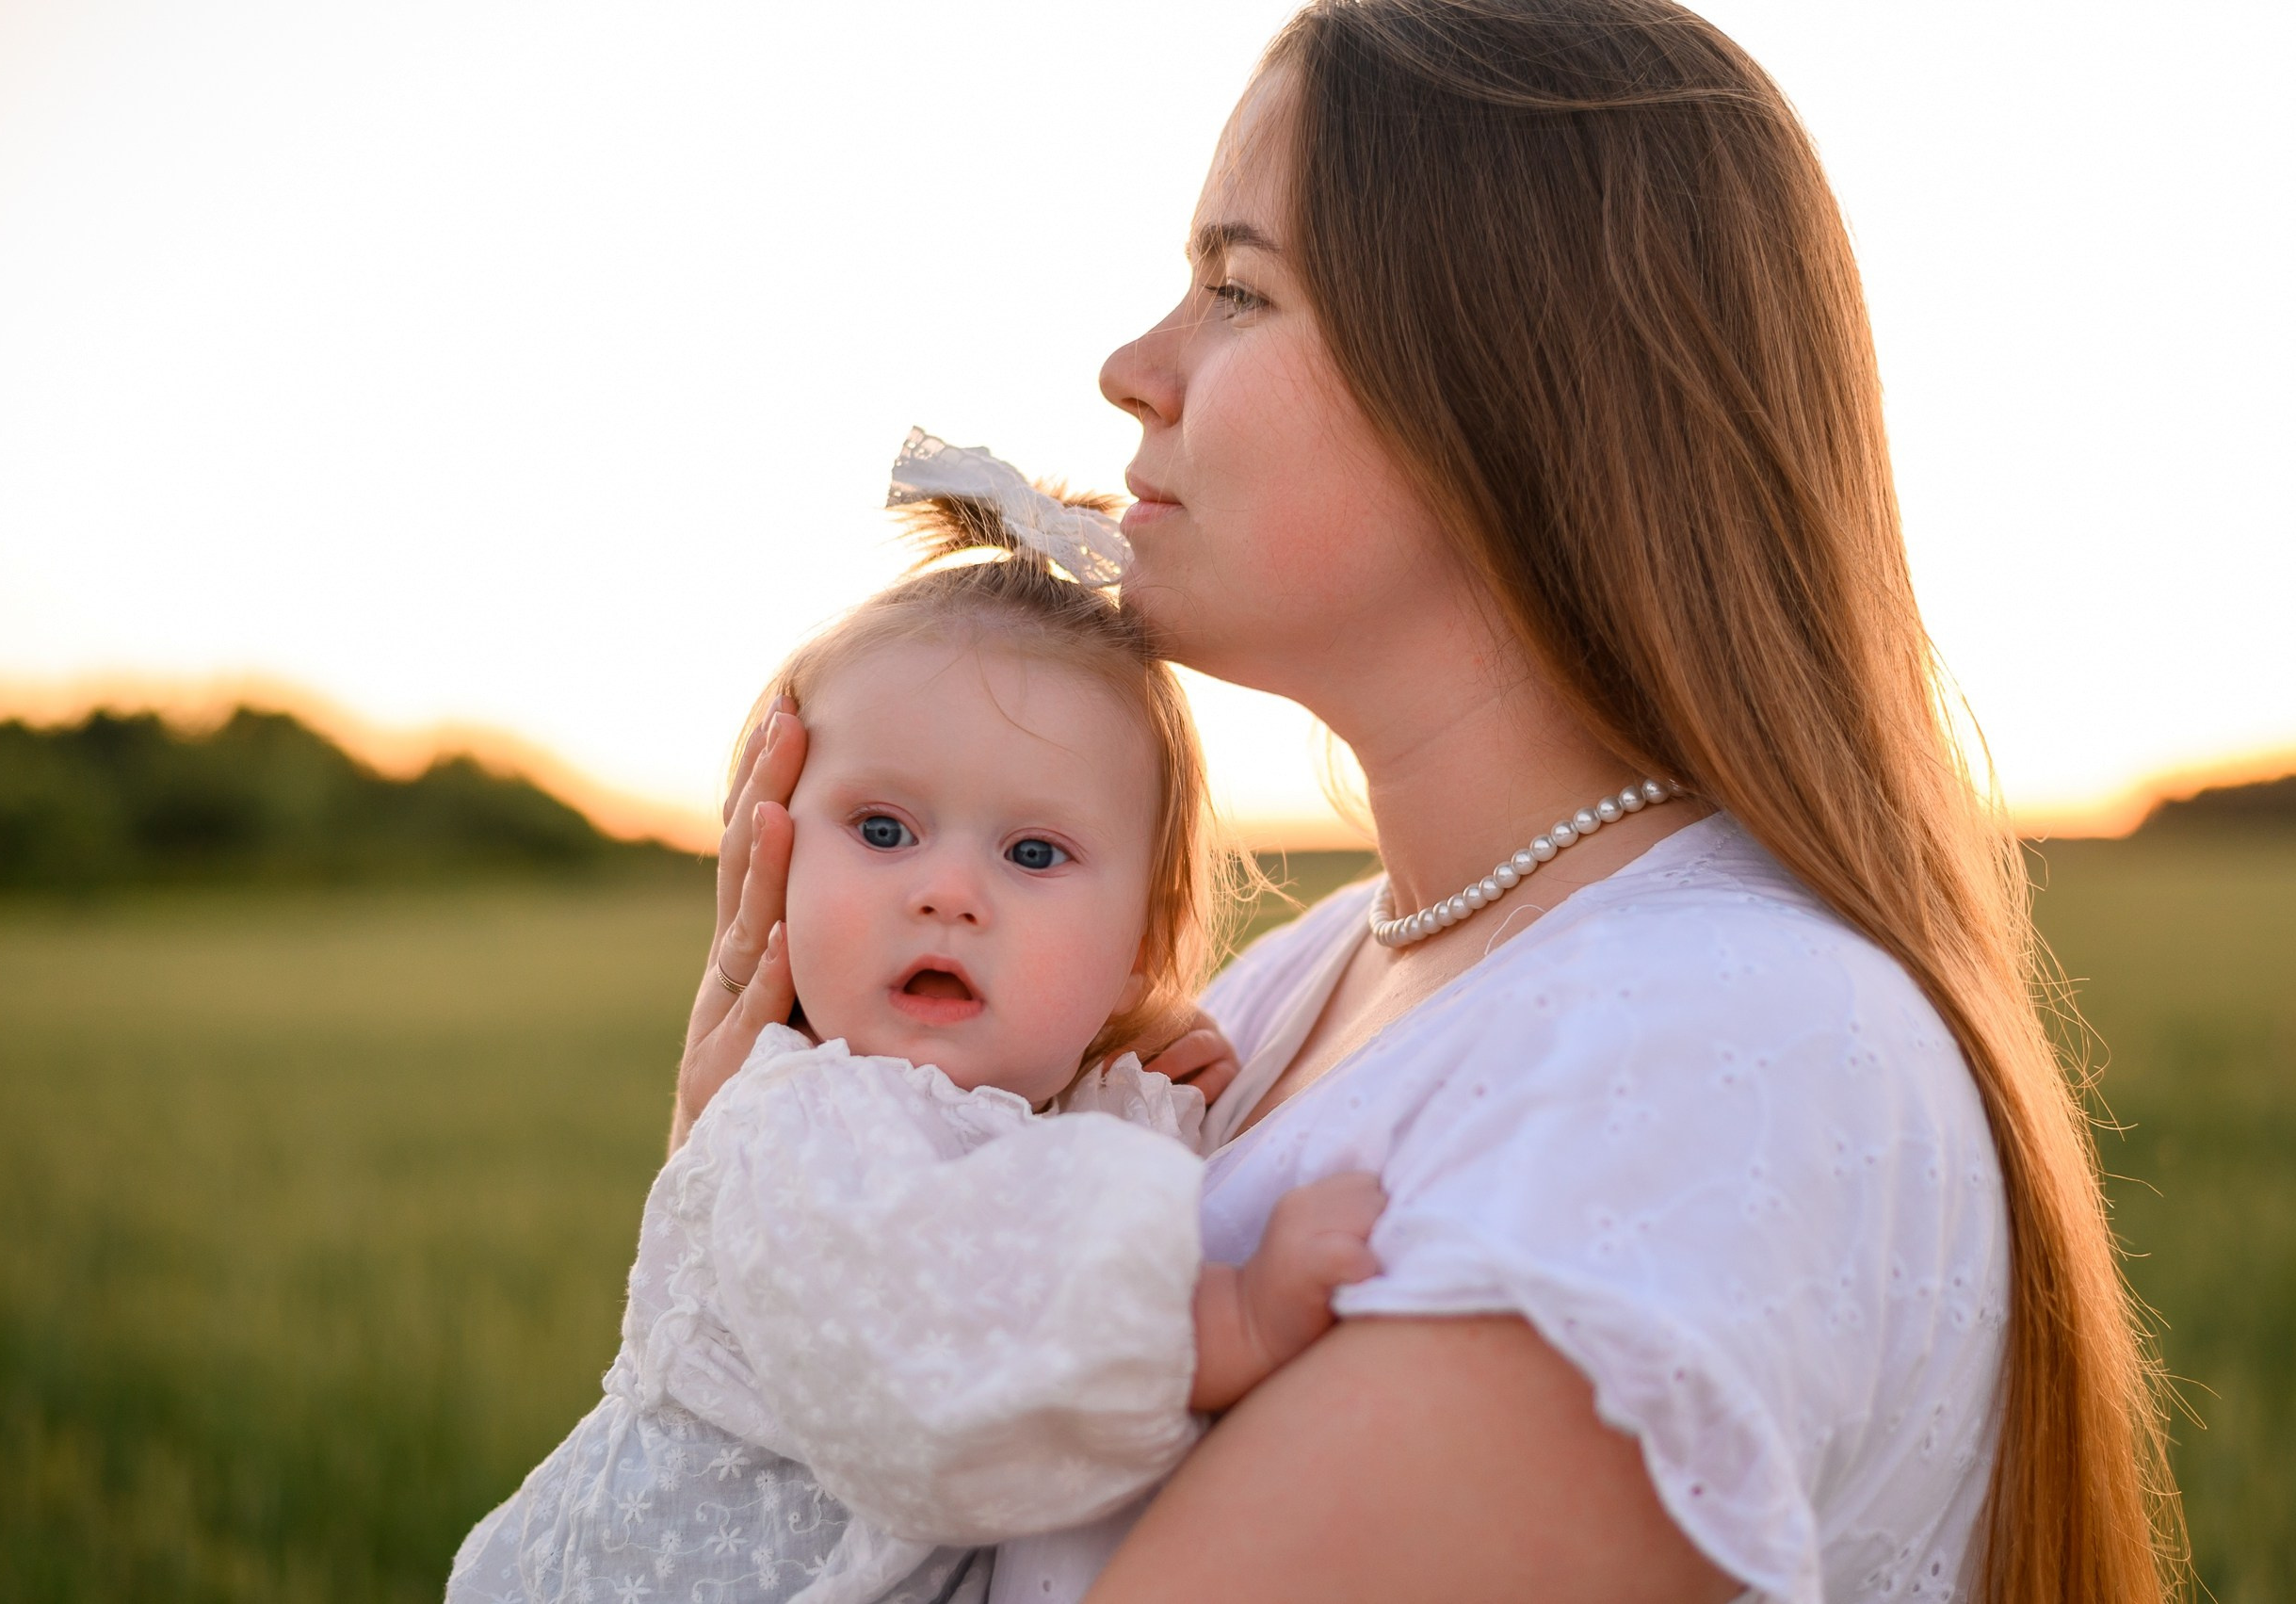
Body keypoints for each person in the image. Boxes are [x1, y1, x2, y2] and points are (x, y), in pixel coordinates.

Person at [675, 3, 2184, 1601]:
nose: (1132, 372)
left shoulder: (1718, 1057)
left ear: (1515, 381)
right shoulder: (1297, 983)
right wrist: (766, 1193)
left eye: (1238, 289)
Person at [447, 439, 1385, 1604]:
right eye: (883, 830)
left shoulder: (1007, 1113)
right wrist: (1222, 1318)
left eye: (1031, 852)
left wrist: (1132, 1112)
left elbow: (1004, 1219)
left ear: (1139, 945)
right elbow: (937, 1384)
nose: (946, 891)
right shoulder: (803, 1123)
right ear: (775, 860)